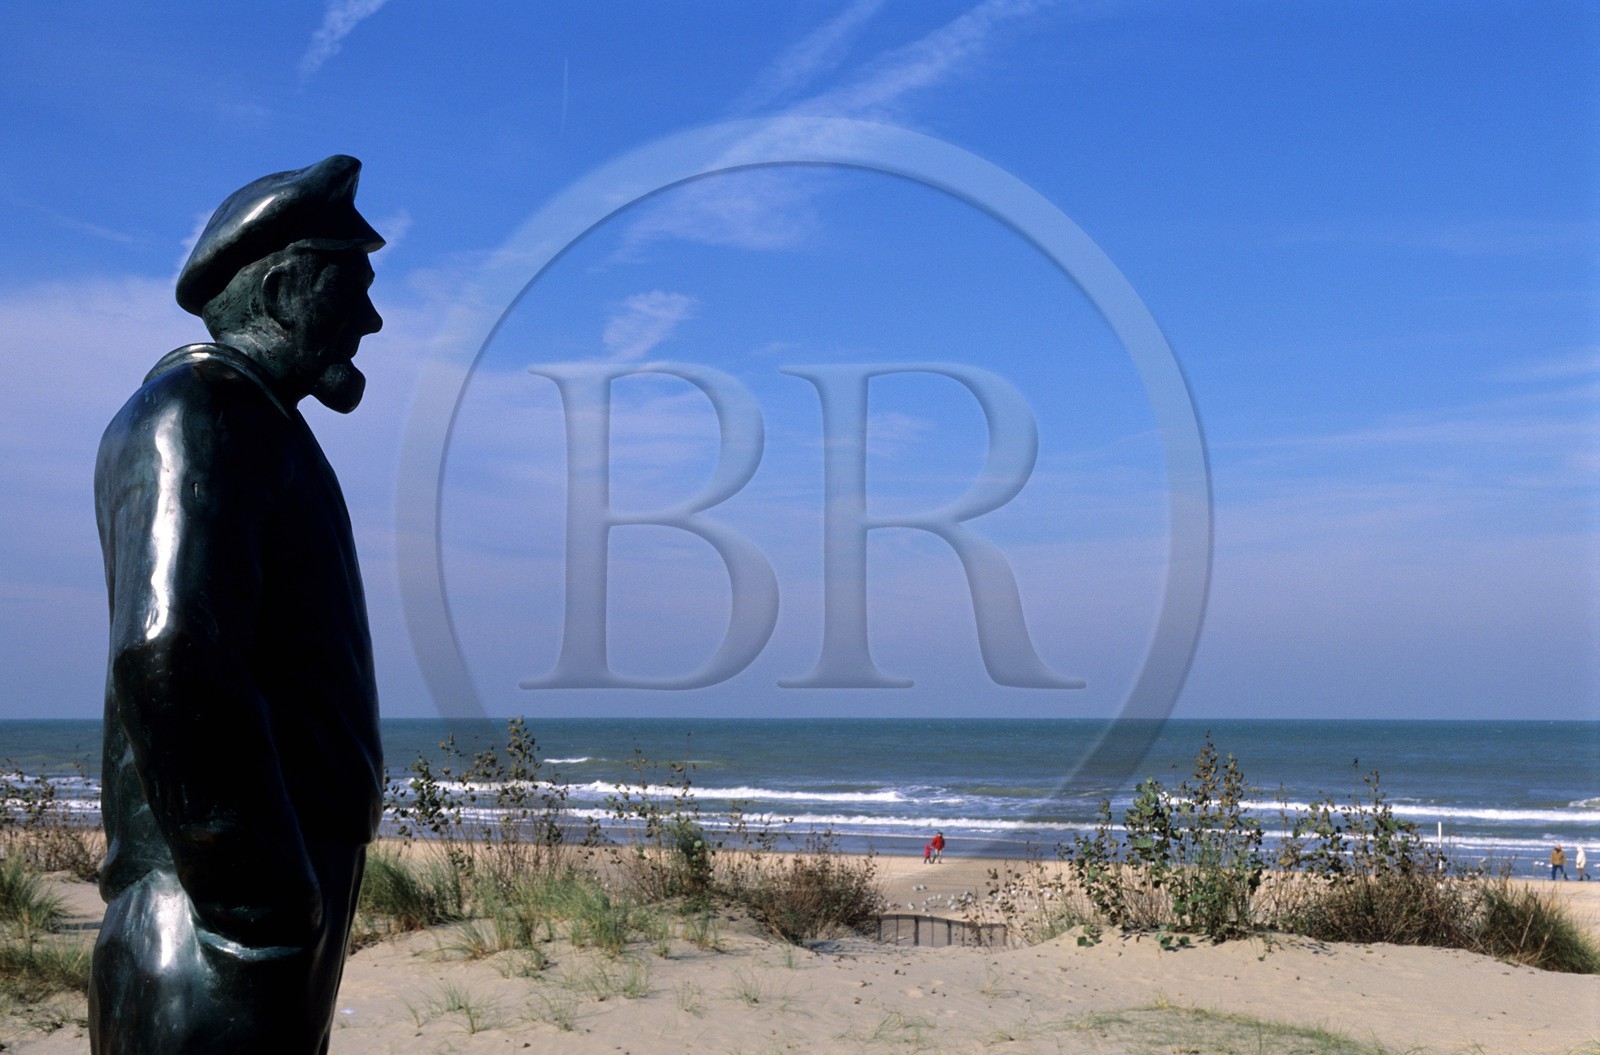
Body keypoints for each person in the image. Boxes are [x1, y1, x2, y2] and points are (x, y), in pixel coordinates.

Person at [90, 156, 386, 1055]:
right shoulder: (198, 412)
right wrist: (264, 908)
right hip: (215, 935)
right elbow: (169, 650)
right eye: (353, 288)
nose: (371, 320)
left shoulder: (253, 422)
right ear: (288, 286)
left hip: (238, 927)